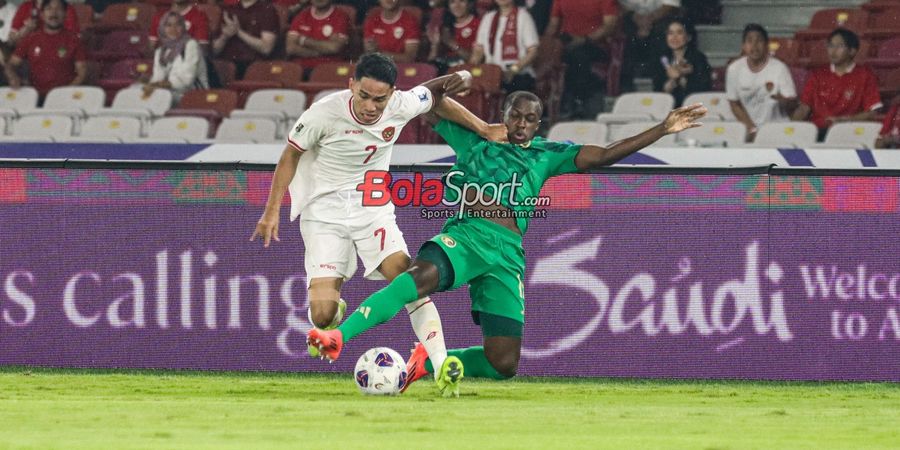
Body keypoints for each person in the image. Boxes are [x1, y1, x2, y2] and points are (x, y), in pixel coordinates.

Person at [307, 91, 707, 396]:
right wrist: (477, 122)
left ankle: (424, 363)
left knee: (503, 363)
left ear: (538, 124)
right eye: (515, 114)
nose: (521, 123)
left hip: (506, 255)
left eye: (530, 119)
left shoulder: (548, 154)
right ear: (504, 114)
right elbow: (430, 103)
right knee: (419, 276)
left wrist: (662, 129)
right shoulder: (477, 142)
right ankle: (340, 335)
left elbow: (602, 156)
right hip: (465, 236)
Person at [250, 53, 505, 396]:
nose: (371, 106)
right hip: (323, 214)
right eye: (364, 96)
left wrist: (483, 125)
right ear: (351, 85)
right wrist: (271, 211)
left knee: (410, 280)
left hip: (372, 210)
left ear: (392, 93)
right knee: (323, 315)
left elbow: (435, 97)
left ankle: (441, 363)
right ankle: (333, 315)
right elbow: (290, 156)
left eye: (379, 99)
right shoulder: (323, 113)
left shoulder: (401, 104)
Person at [792, 28, 882, 139]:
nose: (833, 51)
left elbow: (872, 112)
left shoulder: (865, 75)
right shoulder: (817, 75)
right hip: (818, 131)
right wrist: (792, 127)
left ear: (852, 51)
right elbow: (804, 108)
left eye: (839, 46)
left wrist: (845, 120)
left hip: (848, 130)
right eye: (830, 46)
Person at [542, 0, 618, 119]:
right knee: (553, 55)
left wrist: (585, 39)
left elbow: (609, 25)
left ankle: (578, 102)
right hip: (568, 40)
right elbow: (553, 25)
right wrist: (544, 45)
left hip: (595, 43)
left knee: (578, 56)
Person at [725, 23, 796, 142]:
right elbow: (734, 104)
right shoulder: (734, 69)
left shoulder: (779, 68)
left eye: (759, 41)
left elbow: (792, 103)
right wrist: (751, 128)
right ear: (743, 46)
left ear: (767, 45)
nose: (754, 45)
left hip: (776, 129)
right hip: (748, 129)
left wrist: (783, 101)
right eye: (750, 41)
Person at [4, 0, 85, 98]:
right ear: (42, 15)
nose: (53, 13)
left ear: (65, 15)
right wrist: (12, 76)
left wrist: (64, 94)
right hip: (34, 97)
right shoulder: (30, 39)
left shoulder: (73, 40)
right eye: (49, 9)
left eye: (58, 9)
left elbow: (82, 73)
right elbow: (11, 64)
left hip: (63, 97)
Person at [470, 0, 539, 92]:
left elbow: (533, 51)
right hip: (491, 73)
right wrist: (470, 67)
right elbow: (479, 50)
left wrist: (513, 70)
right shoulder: (488, 18)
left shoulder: (523, 17)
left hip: (517, 73)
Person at [144, 11, 209, 104]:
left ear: (183, 27)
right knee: (135, 91)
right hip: (169, 93)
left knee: (156, 98)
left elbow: (186, 81)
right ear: (162, 28)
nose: (173, 29)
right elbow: (157, 78)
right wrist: (148, 83)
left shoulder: (191, 45)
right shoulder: (160, 51)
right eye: (168, 25)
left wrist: (159, 85)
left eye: (178, 25)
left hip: (193, 95)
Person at [619, 0, 680, 91]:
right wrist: (634, 17)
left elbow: (670, 4)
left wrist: (650, 18)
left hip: (661, 18)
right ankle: (626, 87)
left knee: (665, 32)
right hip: (631, 18)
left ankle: (660, 83)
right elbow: (616, 4)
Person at [651, 17, 710, 107]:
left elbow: (704, 88)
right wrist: (669, 84)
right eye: (670, 33)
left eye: (679, 33)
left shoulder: (698, 58)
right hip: (665, 106)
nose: (674, 37)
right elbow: (657, 88)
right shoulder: (662, 58)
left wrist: (684, 78)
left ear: (689, 37)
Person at [212, 0, 279, 79]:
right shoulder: (229, 10)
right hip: (225, 64)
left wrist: (238, 32)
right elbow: (214, 50)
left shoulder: (267, 10)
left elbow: (266, 48)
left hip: (252, 65)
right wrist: (224, 36)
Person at [285, 0, 351, 72]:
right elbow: (290, 48)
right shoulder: (302, 15)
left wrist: (303, 40)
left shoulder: (341, 16)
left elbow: (334, 48)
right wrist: (319, 51)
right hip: (300, 69)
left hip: (328, 70)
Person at [426, 0, 479, 73]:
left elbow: (474, 58)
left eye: (462, 1)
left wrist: (452, 43)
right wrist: (435, 45)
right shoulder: (445, 26)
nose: (457, 6)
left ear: (470, 4)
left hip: (465, 70)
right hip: (444, 68)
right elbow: (431, 60)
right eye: (452, 2)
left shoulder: (477, 24)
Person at [6, 0, 78, 46]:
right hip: (24, 54)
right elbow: (11, 41)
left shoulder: (66, 8)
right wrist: (26, 30)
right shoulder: (25, 6)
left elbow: (73, 40)